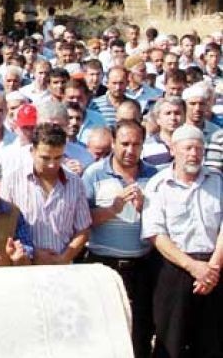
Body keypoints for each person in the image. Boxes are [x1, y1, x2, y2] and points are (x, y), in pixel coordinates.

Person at [142, 125, 223, 358]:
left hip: (214, 270)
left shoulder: (218, 181)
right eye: (188, 148)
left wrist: (212, 268)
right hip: (174, 269)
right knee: (171, 343)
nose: (194, 154)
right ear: (173, 149)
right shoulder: (158, 185)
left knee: (212, 343)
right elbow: (156, 234)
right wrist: (193, 267)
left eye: (199, 148)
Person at [81, 120, 159, 357]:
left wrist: (144, 208)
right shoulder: (94, 174)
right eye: (124, 143)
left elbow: (163, 223)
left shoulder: (154, 176)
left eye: (136, 144)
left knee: (141, 333)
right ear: (113, 143)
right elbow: (83, 220)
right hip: (104, 264)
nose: (130, 150)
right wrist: (112, 209)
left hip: (143, 265)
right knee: (105, 331)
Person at [0, 123, 91, 265]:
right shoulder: (11, 182)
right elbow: (3, 227)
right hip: (23, 266)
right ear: (32, 151)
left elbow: (83, 230)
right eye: (45, 158)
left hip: (63, 268)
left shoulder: (75, 183)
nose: (52, 164)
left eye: (58, 158)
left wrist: (64, 258)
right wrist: (32, 253)